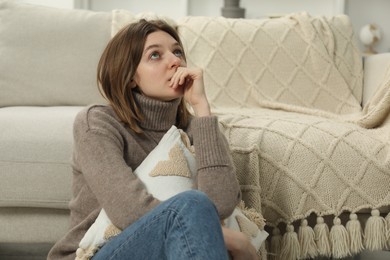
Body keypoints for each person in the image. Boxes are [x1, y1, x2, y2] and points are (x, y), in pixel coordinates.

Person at [48, 19, 258, 260]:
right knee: (191, 204)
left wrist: (201, 107)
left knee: (194, 207)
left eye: (177, 51)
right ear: (130, 77)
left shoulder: (197, 129)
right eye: (155, 55)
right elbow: (128, 210)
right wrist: (233, 241)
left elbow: (220, 206)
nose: (175, 61)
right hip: (97, 253)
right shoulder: (97, 123)